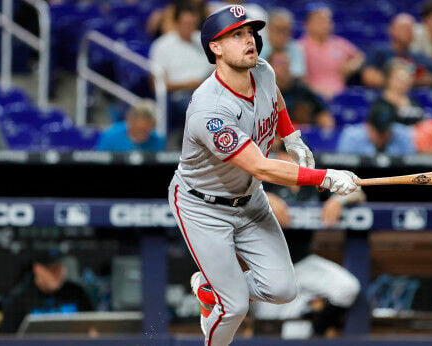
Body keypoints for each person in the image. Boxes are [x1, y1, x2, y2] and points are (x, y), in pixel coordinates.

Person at [167, 6, 359, 345]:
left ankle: (213, 288)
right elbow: (261, 166)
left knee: (283, 289)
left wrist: (290, 135)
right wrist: (324, 177)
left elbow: (275, 98)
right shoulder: (210, 110)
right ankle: (221, 305)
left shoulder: (264, 70)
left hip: (249, 198)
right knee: (234, 307)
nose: (249, 40)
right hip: (204, 206)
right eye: (236, 35)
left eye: (249, 33)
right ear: (216, 47)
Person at [254, 149, 362, 336]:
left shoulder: (310, 180)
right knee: (268, 329)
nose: (293, 163)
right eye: (287, 157)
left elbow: (357, 191)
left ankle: (317, 329)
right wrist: (263, 196)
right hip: (267, 267)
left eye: (298, 158)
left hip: (302, 263)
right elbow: (231, 191)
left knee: (346, 287)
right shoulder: (263, 178)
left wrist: (338, 201)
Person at [149, 4, 213, 133]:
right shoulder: (162, 45)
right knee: (193, 105)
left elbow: (216, 67)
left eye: (193, 23)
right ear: (177, 23)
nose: (189, 27)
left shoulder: (203, 39)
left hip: (207, 89)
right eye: (186, 23)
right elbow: (157, 84)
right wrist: (187, 85)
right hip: (178, 95)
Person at [0, 249, 93, 333]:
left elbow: (94, 326)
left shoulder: (76, 292)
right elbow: (5, 338)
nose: (58, 273)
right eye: (52, 269)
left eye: (60, 267)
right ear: (37, 269)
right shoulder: (20, 299)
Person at [362, 13, 432, 89]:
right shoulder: (379, 51)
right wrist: (403, 81)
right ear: (391, 30)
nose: (407, 32)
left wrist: (427, 80)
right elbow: (368, 77)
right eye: (403, 28)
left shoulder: (420, 56)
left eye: (410, 29)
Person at [299, 3, 365, 100]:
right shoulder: (300, 46)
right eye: (320, 20)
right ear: (308, 24)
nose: (325, 24)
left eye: (328, 21)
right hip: (312, 97)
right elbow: (299, 79)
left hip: (341, 95)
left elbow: (360, 56)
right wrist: (317, 92)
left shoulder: (339, 43)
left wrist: (351, 65)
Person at [269, 51, 334, 130]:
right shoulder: (262, 93)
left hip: (304, 136)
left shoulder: (301, 88)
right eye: (280, 63)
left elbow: (324, 114)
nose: (284, 67)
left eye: (287, 63)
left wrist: (325, 130)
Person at [336, 101, 416, 155]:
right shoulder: (351, 136)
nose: (380, 136)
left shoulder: (404, 134)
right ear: (368, 125)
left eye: (384, 131)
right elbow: (343, 174)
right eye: (377, 131)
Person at [367, 59, 427, 126]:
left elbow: (422, 124)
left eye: (407, 78)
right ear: (389, 79)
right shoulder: (380, 105)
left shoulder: (414, 103)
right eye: (400, 78)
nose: (405, 81)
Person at [96, 100, 165, 152]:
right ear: (129, 121)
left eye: (147, 129)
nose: (142, 133)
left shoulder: (158, 140)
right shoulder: (110, 136)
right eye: (139, 129)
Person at [260, 8, 306, 80]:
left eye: (285, 30)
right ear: (268, 29)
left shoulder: (295, 47)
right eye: (278, 29)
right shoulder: (256, 48)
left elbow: (298, 74)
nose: (281, 35)